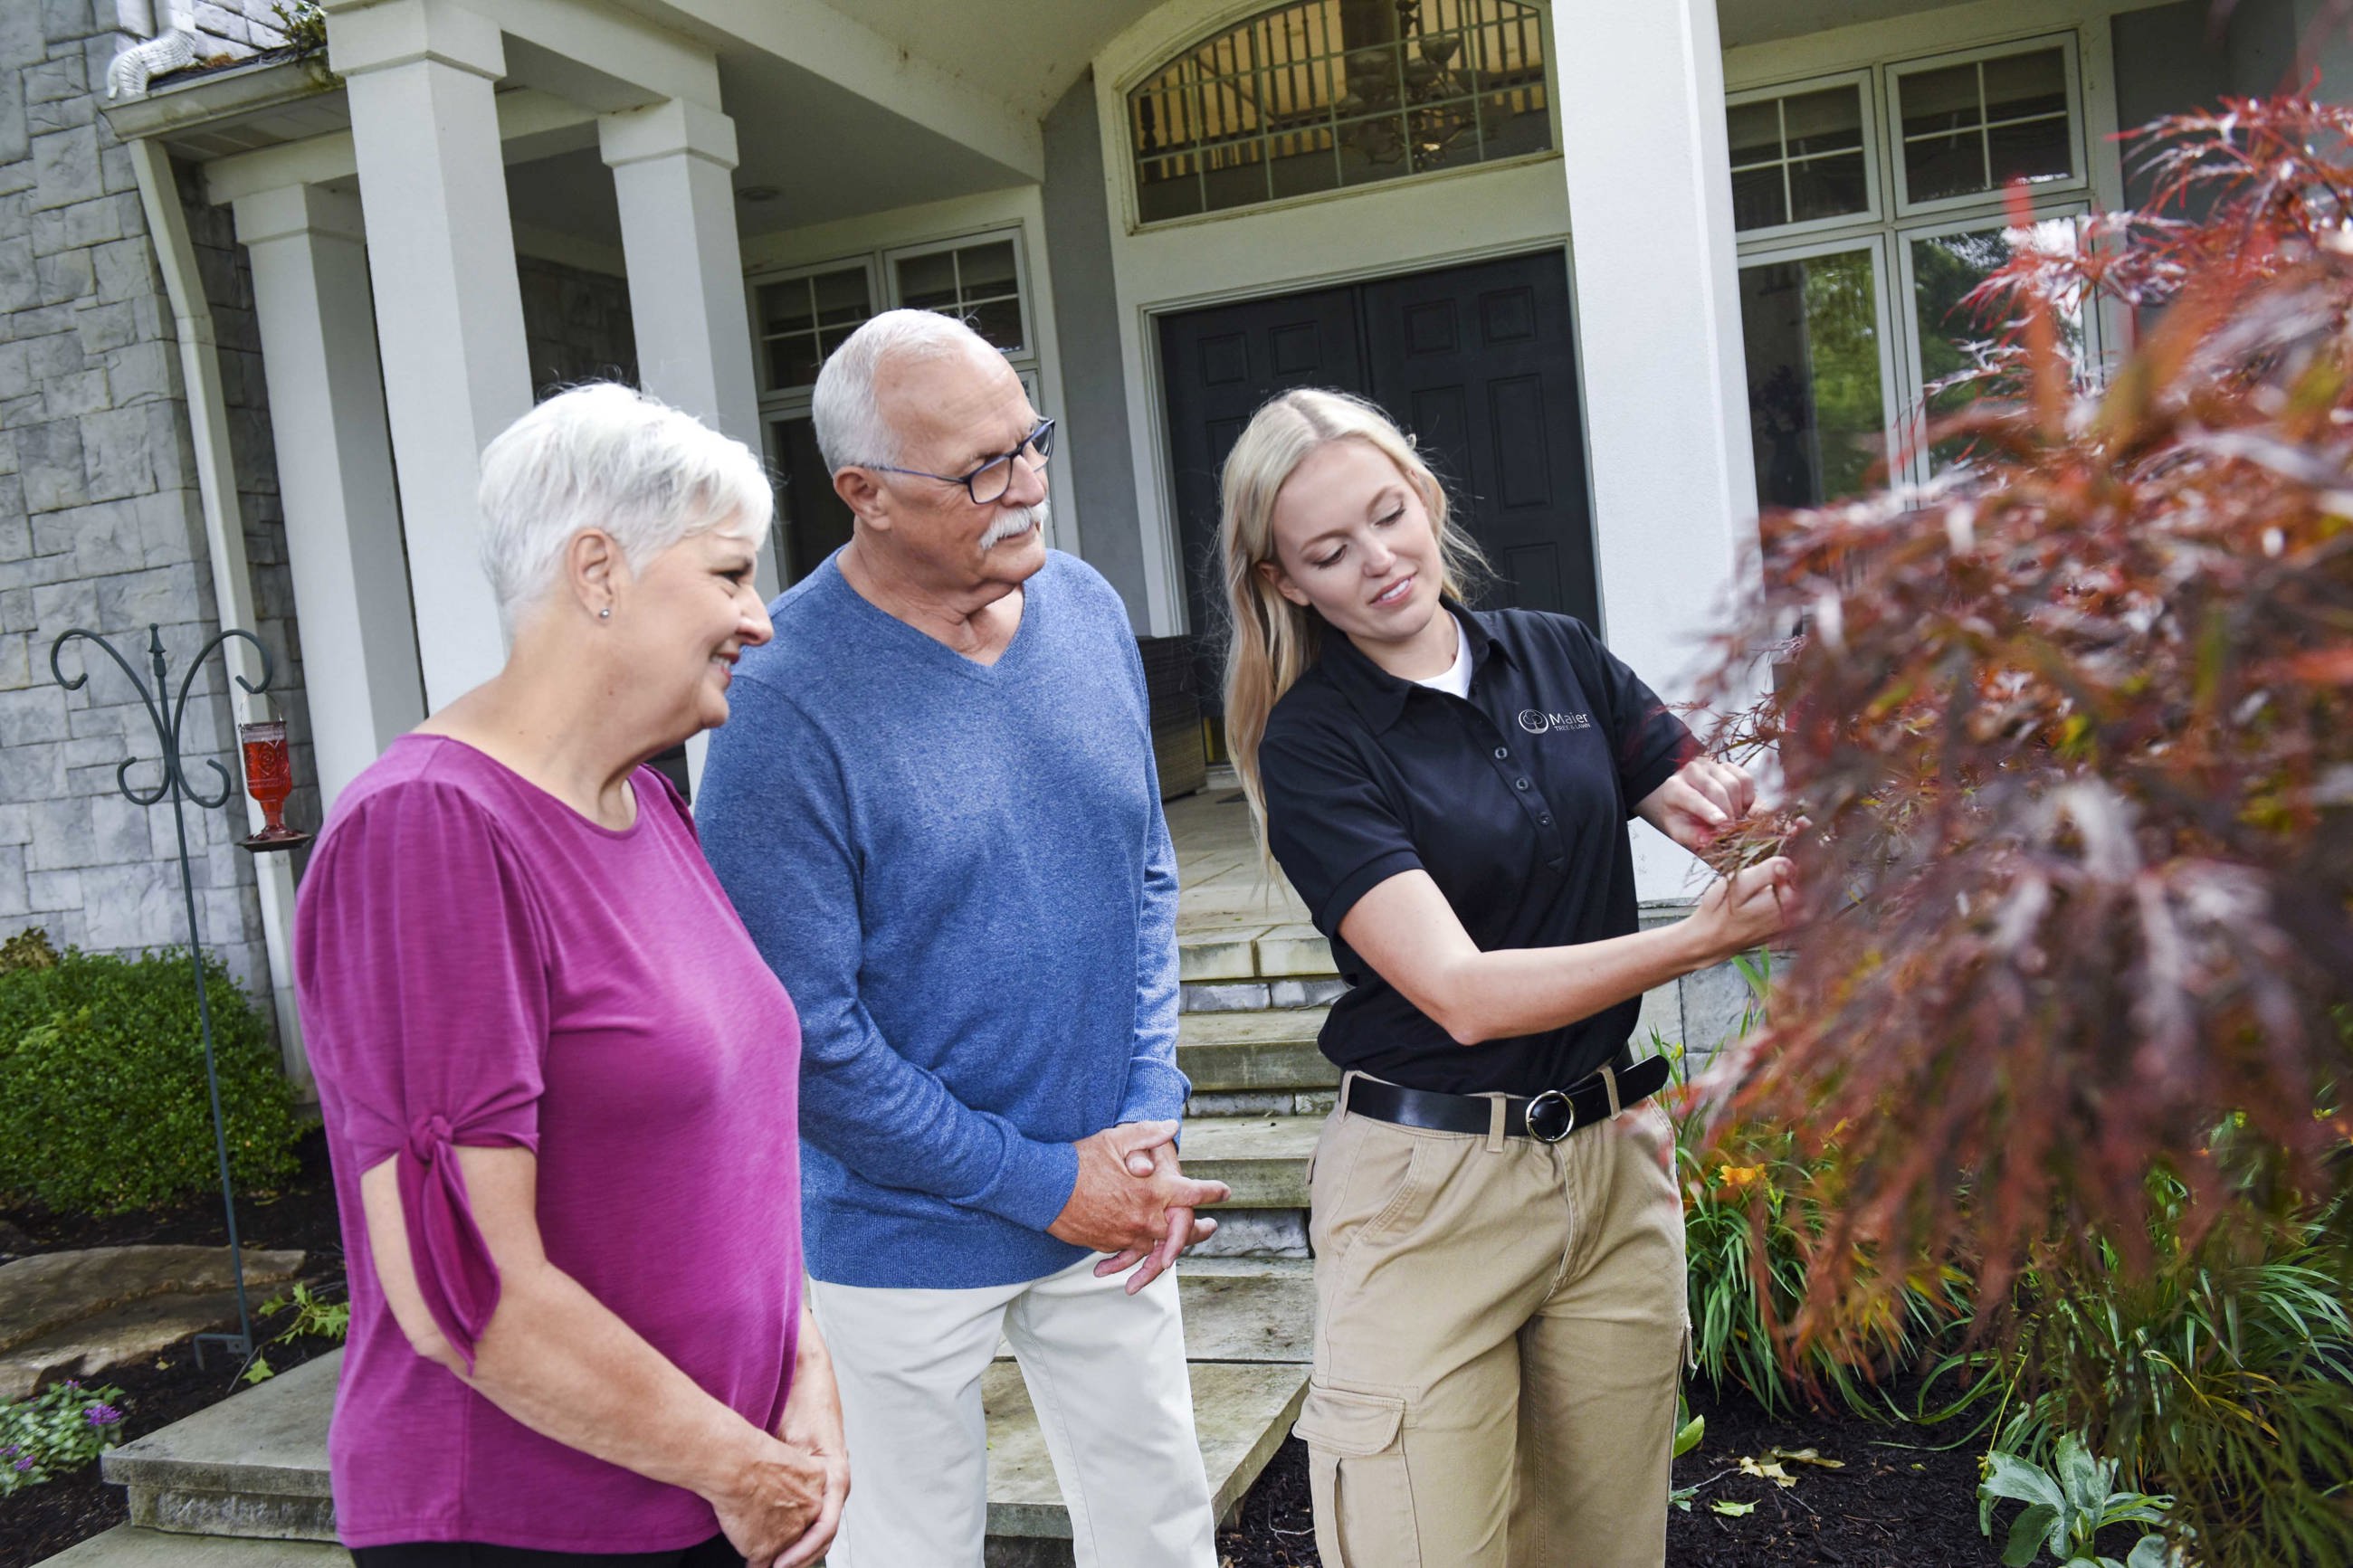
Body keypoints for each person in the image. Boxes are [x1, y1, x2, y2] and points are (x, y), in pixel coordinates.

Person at [1217, 388, 1795, 1568]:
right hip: (1430, 1194)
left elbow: (1727, 823)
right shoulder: (1318, 741)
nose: (1378, 560)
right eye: (1330, 550)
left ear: (1426, 497)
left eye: (1389, 515)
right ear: (1285, 583)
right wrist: (1698, 939)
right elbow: (1462, 991)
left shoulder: (1558, 654)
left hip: (1612, 1171)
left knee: (1602, 1550)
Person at [696, 309, 1227, 1568]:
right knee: (908, 1551)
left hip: (1113, 1189)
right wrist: (1051, 1184)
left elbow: (1143, 872)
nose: (1028, 485)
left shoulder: (1085, 609)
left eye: (1028, 442)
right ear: (864, 494)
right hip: (898, 1232)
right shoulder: (781, 706)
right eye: (982, 467)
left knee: (1161, 1526)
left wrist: (1149, 1102)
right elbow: (812, 1044)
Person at [293, 384, 845, 1568]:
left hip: (708, 1489)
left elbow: (733, 1151)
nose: (759, 619)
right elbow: (465, 1289)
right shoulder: (430, 832)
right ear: (598, 569)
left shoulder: (645, 798)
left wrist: (804, 1372)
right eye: (730, 574)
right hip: (531, 1525)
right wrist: (741, 1466)